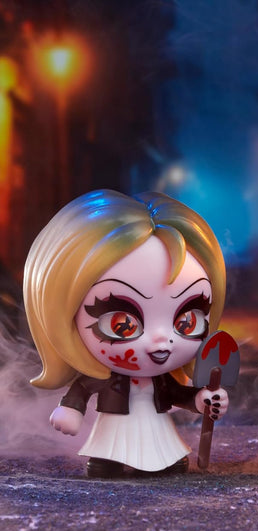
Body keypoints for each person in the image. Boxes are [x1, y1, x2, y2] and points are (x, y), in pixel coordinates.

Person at [23, 189, 229, 478]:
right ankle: (108, 461)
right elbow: (83, 388)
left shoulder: (161, 378)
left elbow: (175, 393)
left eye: (186, 322)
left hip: (157, 429)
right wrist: (71, 408)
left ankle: (163, 461)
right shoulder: (104, 376)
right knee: (108, 457)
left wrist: (201, 400)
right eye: (123, 324)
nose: (161, 340)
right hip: (113, 427)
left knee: (167, 458)